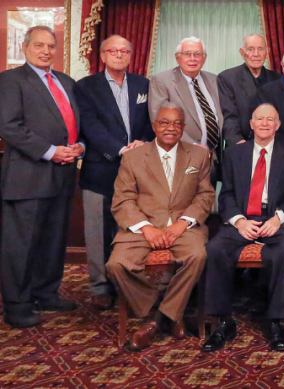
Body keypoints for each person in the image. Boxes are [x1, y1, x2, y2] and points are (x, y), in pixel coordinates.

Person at [107, 104, 215, 352]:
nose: (171, 128)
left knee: (198, 256)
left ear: (183, 128)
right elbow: (122, 200)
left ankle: (155, 321)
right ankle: (166, 312)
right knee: (116, 265)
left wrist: (183, 222)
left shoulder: (197, 156)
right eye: (165, 123)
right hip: (142, 226)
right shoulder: (133, 157)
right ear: (155, 125)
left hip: (183, 227)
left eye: (177, 124)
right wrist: (146, 228)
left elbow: (205, 196)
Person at [0, 25, 84, 328]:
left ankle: (46, 293)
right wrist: (50, 150)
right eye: (39, 45)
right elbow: (9, 127)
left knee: (53, 240)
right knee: (20, 246)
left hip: (62, 176)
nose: (46, 51)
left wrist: (80, 146)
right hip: (28, 176)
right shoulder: (10, 81)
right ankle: (16, 305)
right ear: (25, 47)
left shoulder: (66, 81)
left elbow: (76, 123)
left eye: (51, 46)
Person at [202, 104, 284, 352]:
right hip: (243, 217)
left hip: (275, 218)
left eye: (271, 119)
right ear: (251, 124)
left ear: (278, 125)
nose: (265, 123)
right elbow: (227, 194)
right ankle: (223, 322)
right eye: (260, 119)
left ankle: (277, 322)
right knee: (215, 249)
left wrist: (279, 218)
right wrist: (239, 221)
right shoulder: (235, 154)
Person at [74, 34, 154, 310]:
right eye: (113, 50)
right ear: (103, 55)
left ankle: (126, 284)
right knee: (97, 231)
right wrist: (122, 150)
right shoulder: (85, 87)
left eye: (124, 51)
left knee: (130, 228)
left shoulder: (144, 85)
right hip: (100, 170)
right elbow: (90, 126)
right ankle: (99, 286)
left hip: (137, 173)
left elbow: (149, 122)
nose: (119, 55)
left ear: (131, 56)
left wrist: (140, 145)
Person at [149, 37, 223, 154]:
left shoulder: (214, 79)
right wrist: (193, 145)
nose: (192, 58)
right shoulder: (162, 81)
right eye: (187, 54)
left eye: (197, 54)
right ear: (177, 57)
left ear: (204, 58)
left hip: (216, 155)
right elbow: (160, 121)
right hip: (181, 153)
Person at [217, 34, 281, 144]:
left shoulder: (277, 79)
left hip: (272, 146)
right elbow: (229, 117)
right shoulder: (227, 78)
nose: (256, 54)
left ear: (267, 52)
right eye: (251, 49)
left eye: (260, 49)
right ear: (242, 53)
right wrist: (238, 142)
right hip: (240, 144)